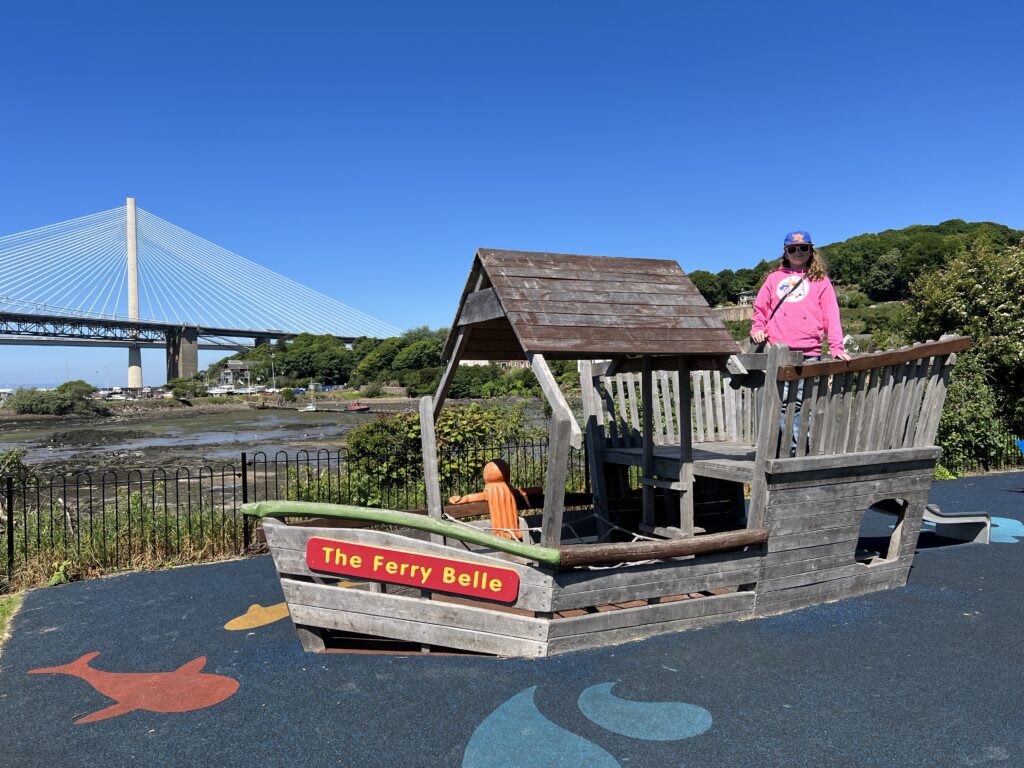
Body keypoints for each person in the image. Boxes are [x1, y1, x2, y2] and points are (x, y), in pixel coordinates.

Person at [750, 231, 850, 454]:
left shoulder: (820, 280)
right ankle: (781, 449)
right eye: (793, 249)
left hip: (809, 350)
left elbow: (831, 315)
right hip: (779, 350)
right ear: (785, 252)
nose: (798, 252)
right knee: (780, 401)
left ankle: (794, 450)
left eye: (803, 248)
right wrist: (757, 328)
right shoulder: (774, 278)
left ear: (811, 251)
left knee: (802, 403)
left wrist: (836, 347)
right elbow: (761, 308)